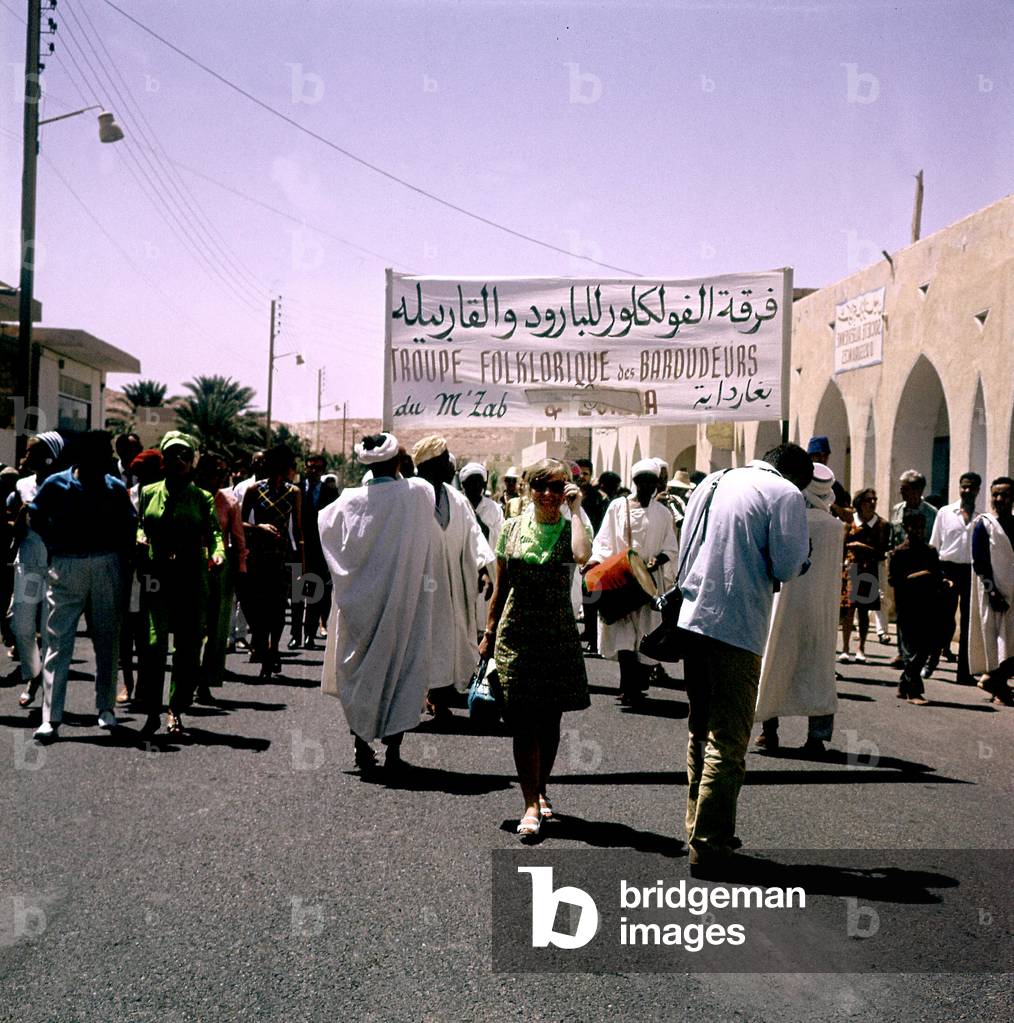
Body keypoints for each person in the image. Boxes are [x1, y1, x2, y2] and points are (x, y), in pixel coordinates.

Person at [676, 443, 812, 873]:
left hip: (692, 616)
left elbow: (686, 549)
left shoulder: (713, 482)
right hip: (736, 624)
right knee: (729, 738)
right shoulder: (785, 495)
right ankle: (711, 845)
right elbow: (789, 565)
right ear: (794, 476)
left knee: (700, 728)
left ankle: (696, 826)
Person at [479, 458, 591, 838]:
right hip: (517, 634)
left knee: (551, 721)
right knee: (524, 722)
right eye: (540, 486)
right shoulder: (510, 530)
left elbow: (581, 556)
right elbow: (500, 587)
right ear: (528, 488)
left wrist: (575, 510)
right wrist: (489, 633)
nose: (548, 494)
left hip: (557, 636)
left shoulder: (573, 526)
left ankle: (542, 787)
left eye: (557, 488)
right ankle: (529, 802)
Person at [319, 433, 436, 771]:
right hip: (403, 604)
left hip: (359, 604)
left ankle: (361, 743)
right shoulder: (417, 493)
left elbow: (326, 529)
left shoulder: (347, 500)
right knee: (401, 668)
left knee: (362, 672)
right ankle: (394, 752)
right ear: (398, 461)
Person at [30, 431, 136, 743]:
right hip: (66, 566)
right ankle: (51, 718)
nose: (101, 465)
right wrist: (53, 546)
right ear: (79, 459)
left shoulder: (114, 488)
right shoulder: (56, 484)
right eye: (95, 459)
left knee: (107, 641)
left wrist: (122, 562)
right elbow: (35, 518)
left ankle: (105, 709)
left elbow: (128, 526)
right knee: (58, 644)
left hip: (106, 565)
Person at [134, 433, 225, 736]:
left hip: (189, 577)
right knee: (152, 644)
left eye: (184, 454)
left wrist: (218, 553)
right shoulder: (147, 492)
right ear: (164, 458)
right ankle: (151, 710)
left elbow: (213, 533)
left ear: (192, 460)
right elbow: (139, 525)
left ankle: (176, 709)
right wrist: (140, 539)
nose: (178, 460)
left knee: (186, 648)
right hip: (157, 576)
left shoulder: (202, 497)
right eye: (172, 454)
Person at [755, 464, 845, 755]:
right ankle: (816, 738)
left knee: (775, 662)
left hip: (784, 606)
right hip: (821, 611)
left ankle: (769, 732)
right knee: (818, 668)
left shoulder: (790, 519)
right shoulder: (835, 526)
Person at [412, 436, 494, 716]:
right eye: (445, 457)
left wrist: (483, 567)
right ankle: (419, 698)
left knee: (449, 640)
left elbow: (474, 535)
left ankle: (439, 696)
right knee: (423, 642)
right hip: (421, 589)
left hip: (453, 588)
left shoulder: (457, 500)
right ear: (430, 465)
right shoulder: (411, 498)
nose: (451, 463)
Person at [587, 459, 677, 704]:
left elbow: (671, 546)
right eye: (641, 481)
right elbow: (604, 540)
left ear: (657, 484)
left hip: (650, 580)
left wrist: (658, 560)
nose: (646, 486)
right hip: (623, 577)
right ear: (635, 482)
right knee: (624, 632)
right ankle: (628, 685)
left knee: (647, 633)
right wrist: (597, 562)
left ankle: (637, 682)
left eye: (651, 482)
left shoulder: (663, 513)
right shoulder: (618, 506)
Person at [8, 432, 64, 710]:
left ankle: (41, 690)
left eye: (31, 452)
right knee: (21, 625)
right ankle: (33, 673)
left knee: (49, 630)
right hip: (28, 563)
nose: (25, 456)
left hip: (55, 565)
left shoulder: (65, 484)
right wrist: (21, 515)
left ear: (48, 456)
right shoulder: (21, 485)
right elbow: (14, 527)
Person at [241, 445, 303, 676]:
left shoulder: (294, 492)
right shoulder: (254, 490)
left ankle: (272, 649)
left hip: (282, 555)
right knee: (257, 607)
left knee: (277, 607)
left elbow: (297, 528)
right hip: (258, 554)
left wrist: (301, 562)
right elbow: (240, 523)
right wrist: (259, 528)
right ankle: (262, 644)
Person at [196, 452, 247, 700]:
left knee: (217, 630)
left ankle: (205, 683)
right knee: (193, 629)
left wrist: (241, 570)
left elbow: (238, 540)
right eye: (214, 472)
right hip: (192, 567)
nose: (219, 478)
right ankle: (188, 679)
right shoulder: (189, 496)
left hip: (220, 569)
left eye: (222, 473)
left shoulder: (229, 501)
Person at [117, 448, 165, 705]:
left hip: (156, 574)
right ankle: (128, 682)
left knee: (150, 634)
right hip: (129, 573)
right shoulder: (128, 497)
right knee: (126, 632)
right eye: (140, 475)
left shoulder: (166, 498)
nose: (143, 480)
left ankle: (147, 684)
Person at [888, 511, 947, 705]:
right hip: (907, 607)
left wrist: (944, 582)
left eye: (921, 527)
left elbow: (937, 575)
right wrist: (919, 576)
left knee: (925, 648)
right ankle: (914, 690)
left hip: (928, 606)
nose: (918, 531)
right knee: (910, 650)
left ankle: (904, 684)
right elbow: (894, 580)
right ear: (906, 529)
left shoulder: (930, 551)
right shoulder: (898, 553)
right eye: (914, 527)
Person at [928, 472, 981, 684]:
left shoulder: (982, 518)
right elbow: (934, 545)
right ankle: (931, 661)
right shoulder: (945, 512)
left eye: (971, 487)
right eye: (964, 486)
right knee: (943, 619)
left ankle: (964, 672)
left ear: (977, 490)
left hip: (971, 571)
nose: (967, 491)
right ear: (959, 487)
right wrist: (936, 574)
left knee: (969, 622)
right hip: (947, 569)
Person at [969, 477, 1014, 706]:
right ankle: (997, 685)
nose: (999, 499)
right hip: (992, 593)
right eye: (995, 494)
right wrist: (992, 592)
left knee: (1011, 642)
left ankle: (996, 683)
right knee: (996, 640)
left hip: (1013, 593)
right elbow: (979, 562)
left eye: (1004, 495)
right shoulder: (983, 524)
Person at [838, 488, 892, 663]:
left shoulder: (882, 525)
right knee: (848, 610)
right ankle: (845, 648)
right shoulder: (850, 522)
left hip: (869, 569)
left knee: (863, 610)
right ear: (860, 502)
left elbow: (882, 551)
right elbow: (842, 545)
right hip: (850, 568)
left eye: (874, 499)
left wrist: (864, 548)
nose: (872, 503)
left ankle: (861, 648)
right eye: (868, 500)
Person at [460, 462, 504, 638]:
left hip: (489, 566)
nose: (476, 486)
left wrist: (483, 528)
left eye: (479, 482)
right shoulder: (458, 505)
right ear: (463, 485)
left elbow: (500, 535)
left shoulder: (494, 509)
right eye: (471, 482)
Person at [300, 453, 339, 649]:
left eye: (317, 468)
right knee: (298, 593)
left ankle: (310, 634)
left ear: (323, 471)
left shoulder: (330, 491)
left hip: (320, 549)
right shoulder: (297, 489)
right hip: (299, 546)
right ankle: (294, 634)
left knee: (316, 592)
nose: (313, 471)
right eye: (310, 467)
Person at [806, 436, 850, 508]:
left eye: (825, 455)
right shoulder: (801, 481)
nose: (822, 459)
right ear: (810, 457)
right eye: (817, 455)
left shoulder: (835, 486)